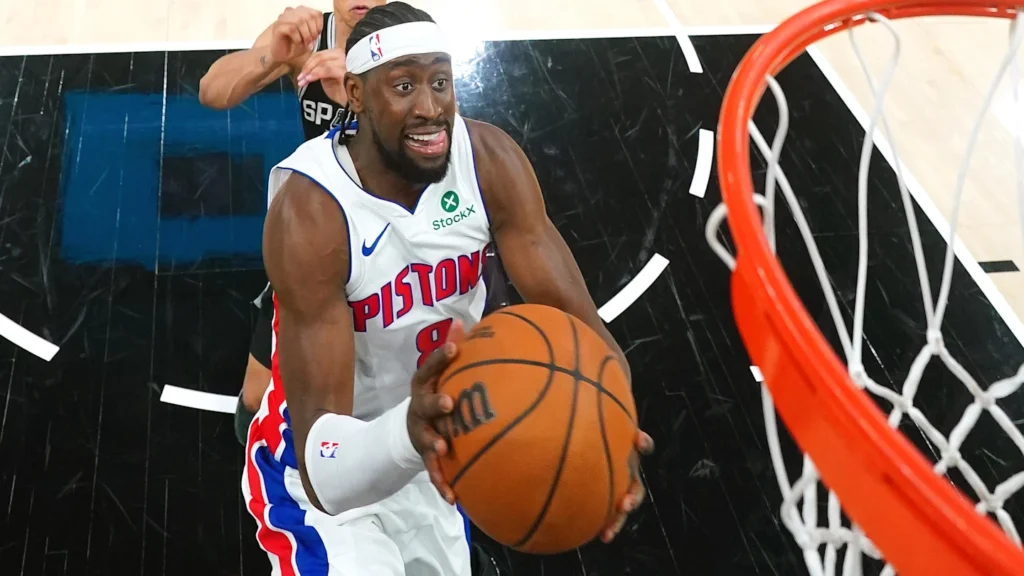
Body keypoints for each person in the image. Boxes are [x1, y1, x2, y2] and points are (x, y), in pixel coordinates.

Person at [241, 3, 653, 573]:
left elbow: (584, 328)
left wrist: (615, 430)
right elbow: (324, 473)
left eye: (440, 82)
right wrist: (406, 433)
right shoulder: (312, 212)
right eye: (403, 86)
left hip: (440, 442)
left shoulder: (488, 161)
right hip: (325, 470)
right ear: (356, 95)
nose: (430, 108)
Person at [198, 1, 510, 448]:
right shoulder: (308, 37)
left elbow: (436, 130)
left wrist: (369, 96)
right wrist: (273, 55)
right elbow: (212, 91)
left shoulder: (407, 38)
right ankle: (269, 472)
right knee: (257, 392)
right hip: (330, 233)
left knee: (430, 382)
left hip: (411, 229)